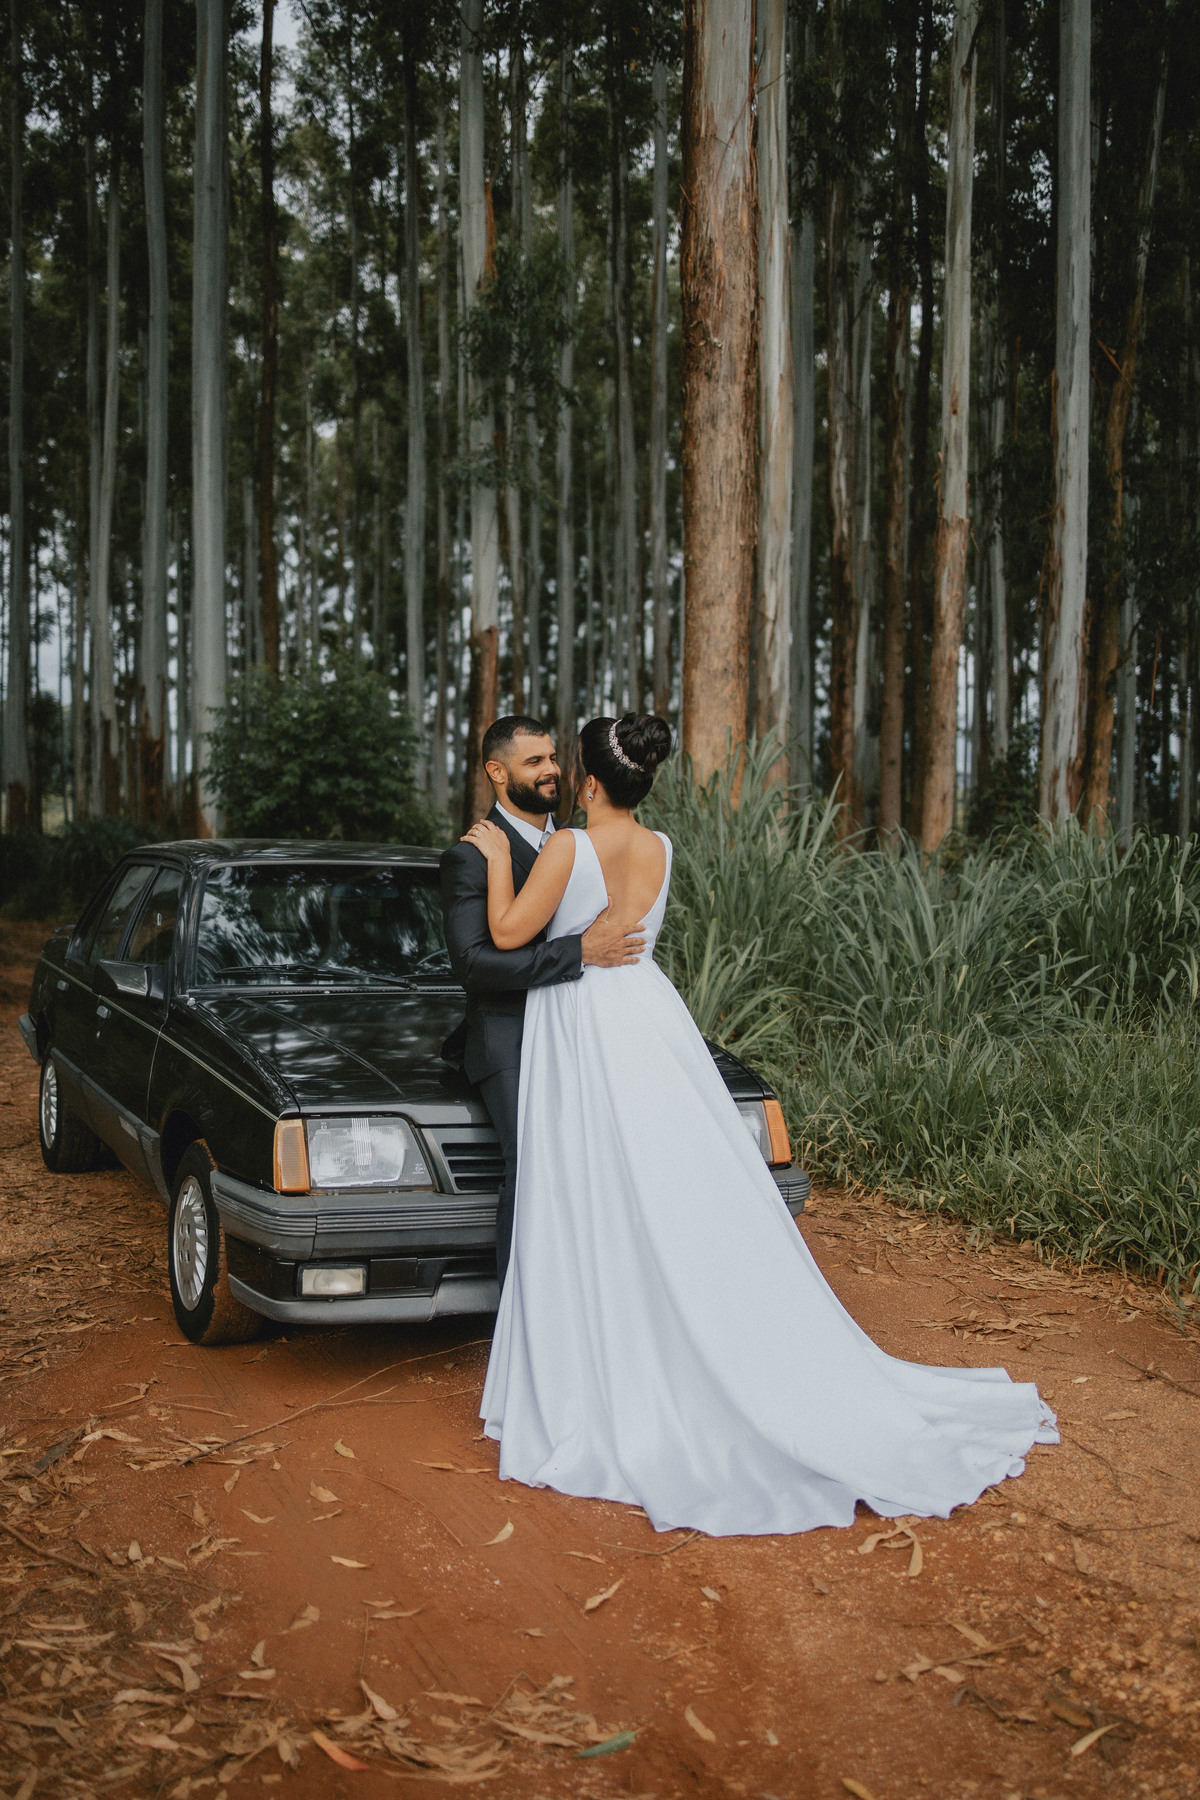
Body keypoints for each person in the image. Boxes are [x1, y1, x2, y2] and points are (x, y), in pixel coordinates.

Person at [460, 712, 1058, 1539]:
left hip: (583, 1023)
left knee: (592, 1183)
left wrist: (498, 862)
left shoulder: (566, 847)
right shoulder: (662, 848)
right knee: (659, 1181)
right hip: (648, 1021)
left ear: (590, 783)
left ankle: (612, 1351)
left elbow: (504, 934)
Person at [440, 716, 645, 1288]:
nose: (552, 770)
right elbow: (475, 964)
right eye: (534, 762)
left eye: (553, 757)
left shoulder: (582, 843)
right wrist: (577, 952)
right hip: (509, 1034)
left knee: (601, 1161)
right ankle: (521, 1310)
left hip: (586, 1026)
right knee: (532, 1163)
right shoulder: (472, 856)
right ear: (497, 772)